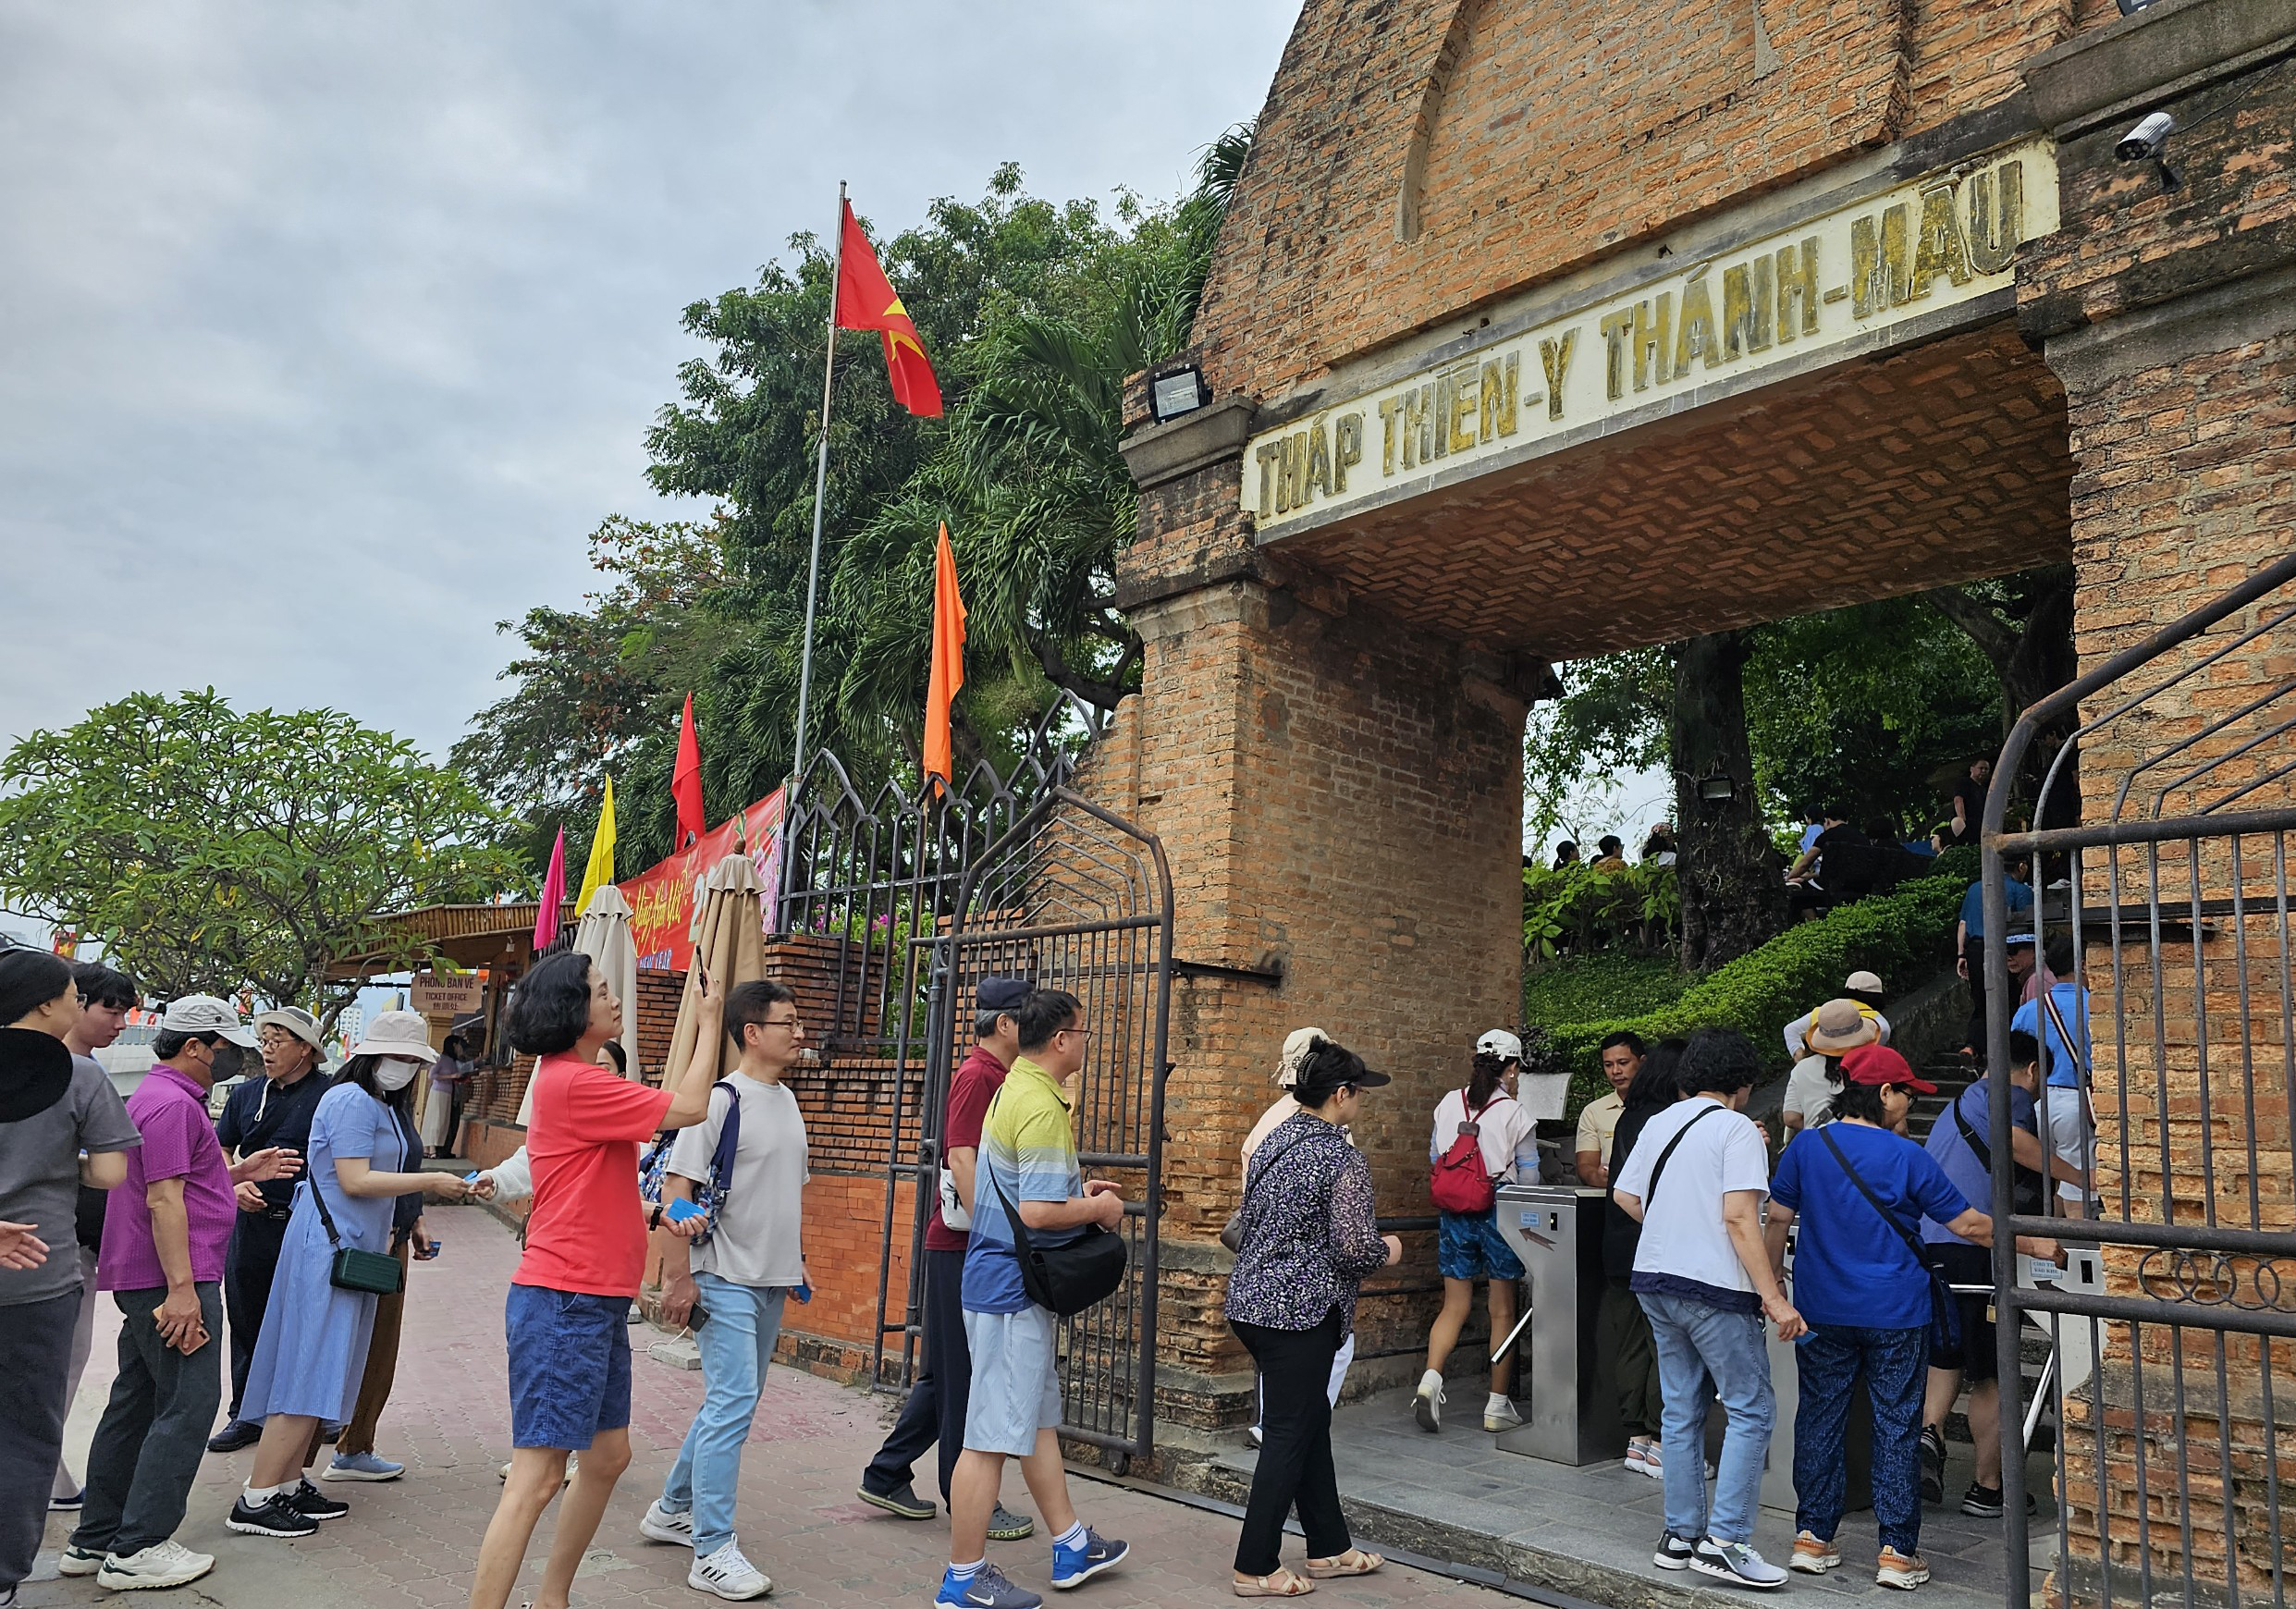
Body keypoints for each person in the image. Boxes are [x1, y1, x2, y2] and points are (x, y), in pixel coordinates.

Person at [466, 951, 726, 1609]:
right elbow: (691, 1104)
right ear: (572, 1011)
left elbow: (588, 1184)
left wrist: (650, 1211)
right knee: (536, 1478)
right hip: (564, 1297)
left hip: (592, 1300)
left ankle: (551, 1599)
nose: (616, 1001)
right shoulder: (574, 1082)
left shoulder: (577, 1078)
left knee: (607, 1459)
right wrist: (709, 1014)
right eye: (603, 991)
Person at [1765, 1045, 2024, 1591]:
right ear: (1883, 1093)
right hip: (1897, 1315)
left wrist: (1773, 1292)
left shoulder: (1806, 1149)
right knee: (1896, 1425)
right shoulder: (1908, 1157)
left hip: (1819, 1311)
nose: (1909, 1102)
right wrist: (2037, 1242)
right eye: (1906, 1092)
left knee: (1819, 1420)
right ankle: (1896, 1552)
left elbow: (1777, 1221)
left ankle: (1812, 1538)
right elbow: (1969, 1225)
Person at [63, 996, 299, 1592]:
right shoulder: (172, 1105)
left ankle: (96, 1539)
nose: (236, 1059)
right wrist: (183, 1292)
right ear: (196, 1047)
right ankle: (138, 1547)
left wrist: (241, 1173)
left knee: (136, 1403)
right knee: (188, 1406)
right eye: (227, 1049)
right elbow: (162, 1199)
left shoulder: (160, 1098)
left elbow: (180, 1183)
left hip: (154, 1275)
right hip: (172, 1277)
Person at [227, 1011, 466, 1535]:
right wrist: (433, 1182)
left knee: (328, 1362)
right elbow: (354, 1180)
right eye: (399, 1058)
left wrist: (412, 1211)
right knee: (307, 1364)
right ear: (371, 1056)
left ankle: (287, 1485)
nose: (405, 1068)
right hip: (327, 1249)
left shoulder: (377, 1102)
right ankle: (258, 1496)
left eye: (412, 1060)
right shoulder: (352, 1100)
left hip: (350, 1247)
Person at [934, 989, 1129, 1609]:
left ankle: (1071, 1543)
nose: (1087, 1043)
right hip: (1008, 1291)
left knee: (1037, 1422)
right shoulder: (1039, 1105)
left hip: (1004, 1284)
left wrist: (1076, 1187)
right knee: (989, 1437)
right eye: (1084, 1032)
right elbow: (1039, 1212)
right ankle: (962, 1581)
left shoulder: (1017, 1087)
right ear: (1062, 1040)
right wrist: (1097, 1207)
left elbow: (1026, 1187)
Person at [1612, 1027, 1805, 1591]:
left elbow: (1626, 1196)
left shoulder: (1659, 1122)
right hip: (1714, 1289)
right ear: (1742, 1084)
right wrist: (1773, 1297)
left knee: (1680, 1409)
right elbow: (1743, 1218)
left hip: (1654, 1280)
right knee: (1751, 1408)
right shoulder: (1738, 1130)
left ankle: (1680, 1537)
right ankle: (1726, 1542)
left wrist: (1673, 1229)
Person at [638, 981, 813, 1600]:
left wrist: (796, 1265)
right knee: (732, 1403)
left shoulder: (786, 1100)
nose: (798, 1032)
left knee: (732, 1403)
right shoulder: (719, 1102)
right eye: (786, 1022)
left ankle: (669, 1511)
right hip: (723, 1277)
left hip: (771, 1279)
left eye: (798, 1022)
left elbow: (781, 1195)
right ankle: (712, 1550)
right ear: (751, 1032)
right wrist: (679, 1277)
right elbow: (674, 1192)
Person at [858, 977, 1034, 1540]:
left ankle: (885, 1474)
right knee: (964, 1378)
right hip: (963, 1247)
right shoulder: (978, 1076)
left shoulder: (997, 1075)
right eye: (1029, 1018)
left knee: (945, 1374)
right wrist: (997, 1236)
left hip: (960, 1246)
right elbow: (962, 1160)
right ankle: (968, 1504)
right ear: (1005, 1023)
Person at [1225, 1038, 1401, 1597]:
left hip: (1253, 1299)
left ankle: (1329, 1547)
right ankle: (1255, 1564)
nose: (1361, 1104)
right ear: (1340, 1095)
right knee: (1288, 1432)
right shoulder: (1339, 1154)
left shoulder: (1278, 1137)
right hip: (1300, 1310)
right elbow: (1354, 1248)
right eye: (1358, 1094)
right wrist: (1388, 1251)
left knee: (1308, 1421)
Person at [0, 952, 140, 1609]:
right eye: (72, 995)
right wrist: (62, 1168)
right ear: (48, 1004)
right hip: (42, 1275)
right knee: (27, 1429)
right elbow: (111, 1176)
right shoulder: (81, 1078)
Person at [1916, 1030, 2083, 1517]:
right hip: (1976, 1245)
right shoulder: (2006, 1096)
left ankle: (1929, 1434)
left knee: (1946, 1356)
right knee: (1994, 1372)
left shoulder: (1958, 1104)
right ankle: (1989, 1488)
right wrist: (2080, 1176)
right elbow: (2013, 1143)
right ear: (2031, 1070)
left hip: (1931, 1246)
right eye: (2039, 1082)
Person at [208, 1004, 334, 1454]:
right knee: (246, 1317)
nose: (268, 1050)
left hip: (307, 1227)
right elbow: (220, 1149)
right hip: (253, 1224)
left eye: (279, 1041)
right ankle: (246, 1413)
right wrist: (236, 1182)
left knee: (307, 1319)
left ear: (306, 1049)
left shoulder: (331, 1095)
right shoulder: (245, 1095)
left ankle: (306, 1413)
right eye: (264, 1041)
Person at [1414, 1029, 1540, 1435]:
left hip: (1454, 1212)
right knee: (1502, 1309)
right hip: (1499, 1210)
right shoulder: (1515, 1113)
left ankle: (1431, 1380)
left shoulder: (1450, 1102)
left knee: (1454, 1305)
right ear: (1513, 1067)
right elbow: (1531, 1175)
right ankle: (1497, 1406)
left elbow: (1436, 1156)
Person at [50, 961, 141, 1512]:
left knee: (65, 1360)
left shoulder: (81, 1070)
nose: (122, 1023)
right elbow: (112, 1169)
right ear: (72, 1003)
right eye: (111, 1009)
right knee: (58, 1361)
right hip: (54, 1248)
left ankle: (51, 1475)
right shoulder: (73, 1074)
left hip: (73, 1246)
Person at [1239, 1028, 1357, 1448]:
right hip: (1304, 1270)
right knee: (1327, 1349)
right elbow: (1348, 1229)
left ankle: (1285, 1423)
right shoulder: (1318, 1129)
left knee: (1285, 1360)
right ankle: (1290, 1425)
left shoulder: (1276, 1119)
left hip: (1263, 1259)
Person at [1601, 1039, 1683, 1480]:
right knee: (1662, 1346)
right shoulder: (1666, 1121)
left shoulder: (1631, 1115)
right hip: (1651, 1249)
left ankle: (1635, 1441)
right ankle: (1660, 1441)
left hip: (1616, 1245)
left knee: (1631, 1344)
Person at [2012, 943, 2093, 1218]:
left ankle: (2051, 1246)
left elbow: (2014, 1058)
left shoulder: (2029, 1010)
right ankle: (2080, 1255)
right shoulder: (2094, 1007)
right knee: (2077, 1186)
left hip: (2034, 1103)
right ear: (2083, 966)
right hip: (2076, 1103)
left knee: (2056, 1180)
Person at [1953, 865, 2032, 1057]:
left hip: (1976, 949)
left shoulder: (1974, 888)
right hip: (2007, 948)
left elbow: (1963, 923)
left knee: (1981, 1001)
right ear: (2021, 866)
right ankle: (2007, 1049)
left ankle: (1972, 1046)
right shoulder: (2021, 890)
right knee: (2011, 999)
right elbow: (2028, 925)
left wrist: (1961, 954)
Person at [1781, 1000, 1881, 1136]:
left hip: (1820, 1146)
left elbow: (1791, 1119)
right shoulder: (1872, 1065)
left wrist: (1821, 1129)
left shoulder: (1802, 1068)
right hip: (1865, 1142)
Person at [1574, 1031, 1645, 1189]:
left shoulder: (1662, 1108)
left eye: (1623, 1062)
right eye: (1608, 1065)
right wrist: (1598, 1177)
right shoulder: (1594, 1111)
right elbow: (1585, 1165)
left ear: (1642, 1062)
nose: (1615, 1071)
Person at [1783, 971, 1892, 1061]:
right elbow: (1884, 1032)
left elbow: (1791, 1030)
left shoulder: (1823, 1011)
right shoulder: (1875, 1018)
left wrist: (1800, 1059)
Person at [421, 1028, 474, 1158]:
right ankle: (432, 1148)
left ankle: (430, 1149)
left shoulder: (451, 1061)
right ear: (454, 1046)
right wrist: (451, 1076)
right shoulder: (441, 1059)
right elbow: (431, 1075)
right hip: (438, 1092)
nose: (460, 1049)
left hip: (447, 1094)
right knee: (436, 1120)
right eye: (460, 1046)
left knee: (443, 1122)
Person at [1942, 758, 1992, 848]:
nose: (1984, 771)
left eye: (1986, 769)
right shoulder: (1964, 783)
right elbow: (1958, 800)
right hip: (1967, 824)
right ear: (1972, 769)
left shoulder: (1984, 789)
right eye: (1981, 768)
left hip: (1980, 825)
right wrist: (1962, 820)